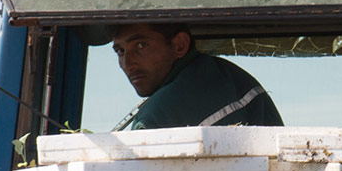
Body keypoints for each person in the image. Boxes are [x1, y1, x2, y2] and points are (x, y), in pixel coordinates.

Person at [112, 23, 283, 129]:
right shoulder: (231, 77)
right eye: (120, 51)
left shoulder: (154, 119)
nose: (127, 64)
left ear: (180, 45)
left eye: (141, 45)